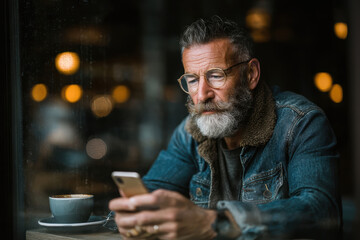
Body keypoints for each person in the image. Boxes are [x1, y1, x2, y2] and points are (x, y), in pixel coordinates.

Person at [109, 15, 342, 240]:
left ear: (251, 74)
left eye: (216, 76)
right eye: (192, 79)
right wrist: (135, 212)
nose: (202, 95)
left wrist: (214, 223)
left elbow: (322, 212)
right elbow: (153, 192)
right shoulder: (190, 132)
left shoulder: (301, 123)